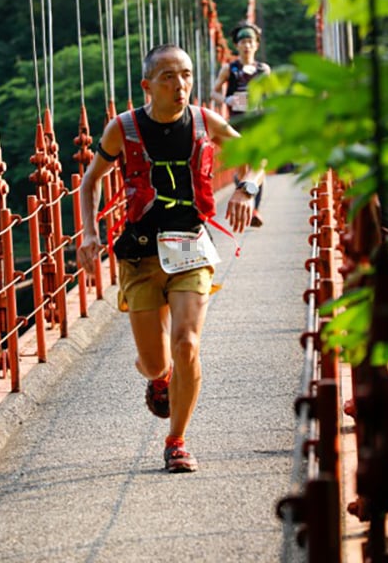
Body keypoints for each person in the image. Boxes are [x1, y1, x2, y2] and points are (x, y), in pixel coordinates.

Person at [78, 43, 262, 474]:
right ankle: (158, 379)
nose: (180, 85)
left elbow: (255, 155)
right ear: (147, 86)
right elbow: (90, 183)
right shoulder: (121, 129)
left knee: (187, 344)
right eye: (168, 77)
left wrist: (246, 187)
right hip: (140, 254)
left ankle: (177, 440)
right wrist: (88, 233)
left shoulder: (204, 120)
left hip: (191, 247)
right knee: (158, 362)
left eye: (186, 74)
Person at [211, 20, 270, 227]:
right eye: (243, 41)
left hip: (257, 122)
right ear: (237, 45)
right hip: (236, 123)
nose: (247, 45)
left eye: (250, 41)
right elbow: (214, 91)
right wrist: (227, 100)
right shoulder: (230, 68)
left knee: (257, 165)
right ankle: (246, 202)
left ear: (256, 45)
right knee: (243, 168)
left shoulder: (264, 70)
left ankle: (254, 209)